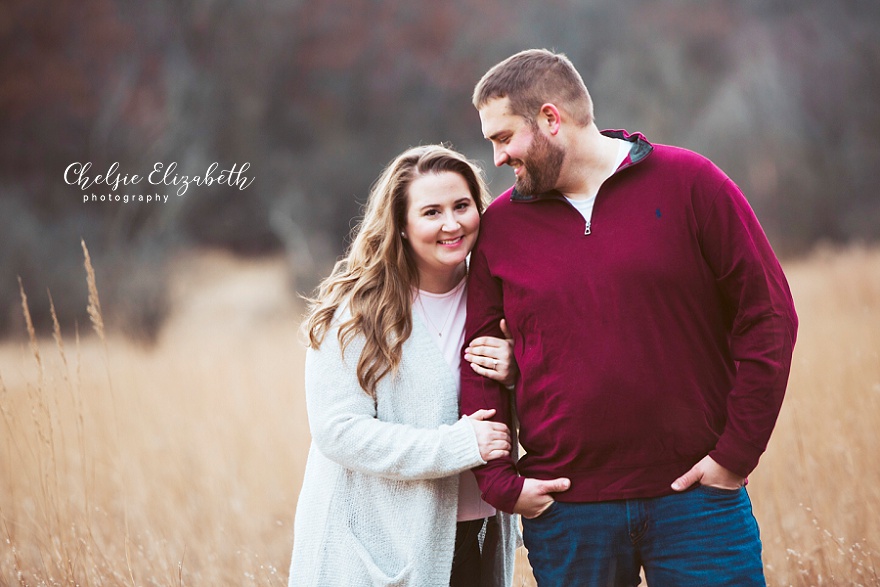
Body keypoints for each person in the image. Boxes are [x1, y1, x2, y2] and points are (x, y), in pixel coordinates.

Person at [460, 49, 798, 587]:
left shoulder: (690, 183)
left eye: (504, 138)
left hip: (697, 504)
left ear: (551, 119)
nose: (498, 159)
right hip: (568, 514)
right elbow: (477, 357)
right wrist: (503, 485)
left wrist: (734, 456)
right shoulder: (501, 227)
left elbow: (770, 315)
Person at [288, 144, 520, 587]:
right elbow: (337, 430)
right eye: (431, 212)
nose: (451, 224)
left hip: (480, 532)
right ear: (401, 225)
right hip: (380, 545)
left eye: (462, 206)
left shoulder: (499, 298)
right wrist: (455, 446)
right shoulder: (357, 310)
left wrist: (518, 373)